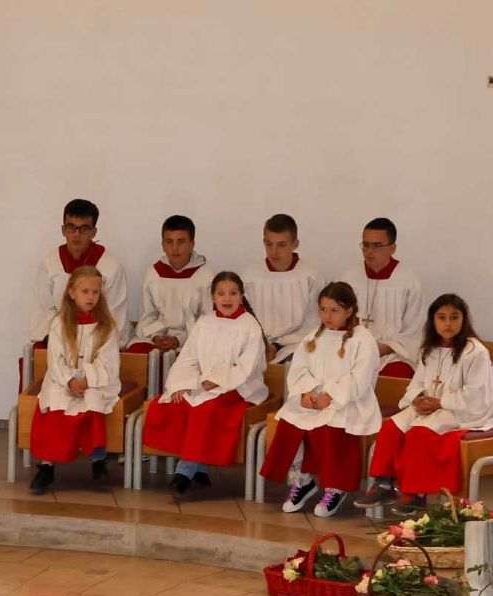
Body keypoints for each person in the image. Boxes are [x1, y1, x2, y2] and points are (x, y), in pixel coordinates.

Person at [359, 294, 493, 510]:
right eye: (442, 318)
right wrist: (417, 400)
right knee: (391, 426)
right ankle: (384, 483)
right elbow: (417, 382)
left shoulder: (475, 351)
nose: (448, 323)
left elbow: (475, 393)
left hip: (461, 410)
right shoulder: (429, 349)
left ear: (464, 320)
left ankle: (414, 493)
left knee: (418, 433)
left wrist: (440, 402)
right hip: (430, 406)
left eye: (454, 317)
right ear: (433, 321)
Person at [259, 282, 381, 518]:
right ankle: (302, 481)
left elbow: (360, 377)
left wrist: (331, 395)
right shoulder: (314, 336)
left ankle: (336, 488)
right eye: (323, 309)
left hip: (349, 400)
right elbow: (299, 369)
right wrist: (305, 392)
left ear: (349, 310)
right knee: (290, 422)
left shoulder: (363, 340)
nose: (327, 316)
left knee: (332, 426)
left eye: (334, 310)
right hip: (313, 399)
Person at [141, 272, 268, 497]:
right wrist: (182, 383)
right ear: (213, 297)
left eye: (233, 293)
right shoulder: (205, 321)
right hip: (203, 384)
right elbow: (189, 357)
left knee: (205, 411)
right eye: (221, 293)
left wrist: (218, 380)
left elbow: (246, 366)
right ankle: (198, 468)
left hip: (237, 387)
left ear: (241, 296)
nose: (227, 298)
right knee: (174, 404)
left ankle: (185, 470)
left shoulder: (250, 326)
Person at [28, 266, 119, 495]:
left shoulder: (106, 325)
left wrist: (87, 379)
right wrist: (69, 380)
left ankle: (98, 462)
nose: (90, 297)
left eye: (95, 292)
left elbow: (108, 361)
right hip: (63, 380)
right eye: (85, 291)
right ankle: (47, 467)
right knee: (55, 404)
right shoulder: (59, 323)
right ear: (72, 292)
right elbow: (55, 359)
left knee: (93, 402)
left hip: (94, 380)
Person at [30, 198, 130, 342]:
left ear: (93, 232)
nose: (76, 235)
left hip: (97, 345)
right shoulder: (50, 264)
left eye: (84, 229)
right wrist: (60, 339)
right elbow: (43, 312)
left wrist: (86, 341)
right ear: (63, 230)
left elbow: (115, 317)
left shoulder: (110, 267)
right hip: (59, 341)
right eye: (71, 227)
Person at [340, 217, 424, 376]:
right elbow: (337, 319)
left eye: (377, 246)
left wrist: (381, 349)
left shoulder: (408, 281)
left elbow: (413, 330)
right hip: (353, 351)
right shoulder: (349, 278)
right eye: (365, 245)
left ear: (392, 248)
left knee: (398, 374)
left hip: (392, 355)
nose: (369, 252)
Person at [243, 214, 322, 363]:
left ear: (295, 244)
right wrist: (263, 345)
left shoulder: (310, 276)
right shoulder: (250, 276)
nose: (274, 251)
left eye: (281, 245)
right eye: (269, 244)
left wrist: (277, 345)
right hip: (257, 346)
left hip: (295, 346)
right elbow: (245, 318)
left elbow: (313, 323)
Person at [128, 214, 207, 354]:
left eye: (181, 241)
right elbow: (148, 315)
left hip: (191, 339)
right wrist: (156, 336)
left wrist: (178, 339)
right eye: (169, 242)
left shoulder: (205, 276)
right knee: (136, 350)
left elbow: (207, 321)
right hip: (158, 335)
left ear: (192, 244)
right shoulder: (154, 273)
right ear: (163, 244)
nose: (175, 248)